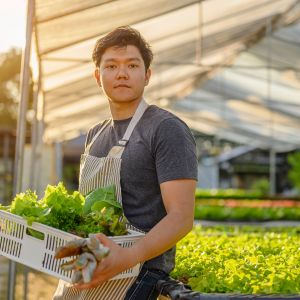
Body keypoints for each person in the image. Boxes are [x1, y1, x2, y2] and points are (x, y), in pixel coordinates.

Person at [53, 25, 197, 300]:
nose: (121, 73)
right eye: (111, 66)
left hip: (140, 273)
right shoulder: (96, 134)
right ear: (98, 76)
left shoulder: (166, 128)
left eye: (132, 65)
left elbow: (181, 218)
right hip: (92, 264)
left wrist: (128, 257)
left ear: (147, 75)